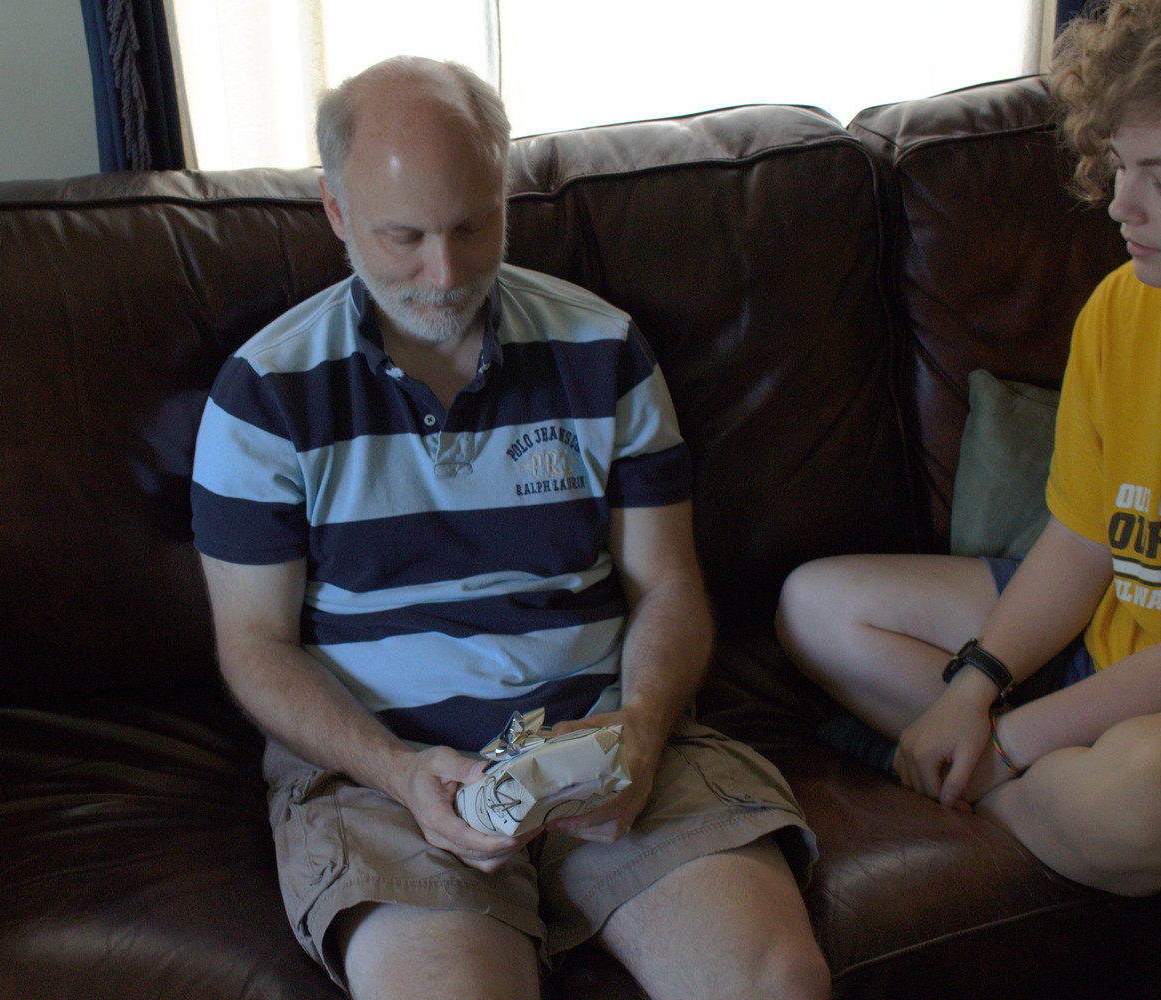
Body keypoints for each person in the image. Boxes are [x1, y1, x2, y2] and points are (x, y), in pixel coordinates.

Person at [191, 55, 828, 1000]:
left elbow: (668, 585)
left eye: (473, 225)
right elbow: (254, 647)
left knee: (776, 984)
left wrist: (643, 730)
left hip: (605, 737)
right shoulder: (264, 395)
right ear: (336, 210)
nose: (445, 274)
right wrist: (398, 772)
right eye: (404, 237)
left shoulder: (603, 349)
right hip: (380, 770)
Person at [776, 0, 1161, 921]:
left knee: (1147, 787)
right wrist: (976, 684)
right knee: (815, 604)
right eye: (1120, 167)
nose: (1122, 205)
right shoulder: (1126, 305)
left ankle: (988, 789)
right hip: (1110, 636)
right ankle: (1044, 798)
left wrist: (1010, 741)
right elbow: (1084, 537)